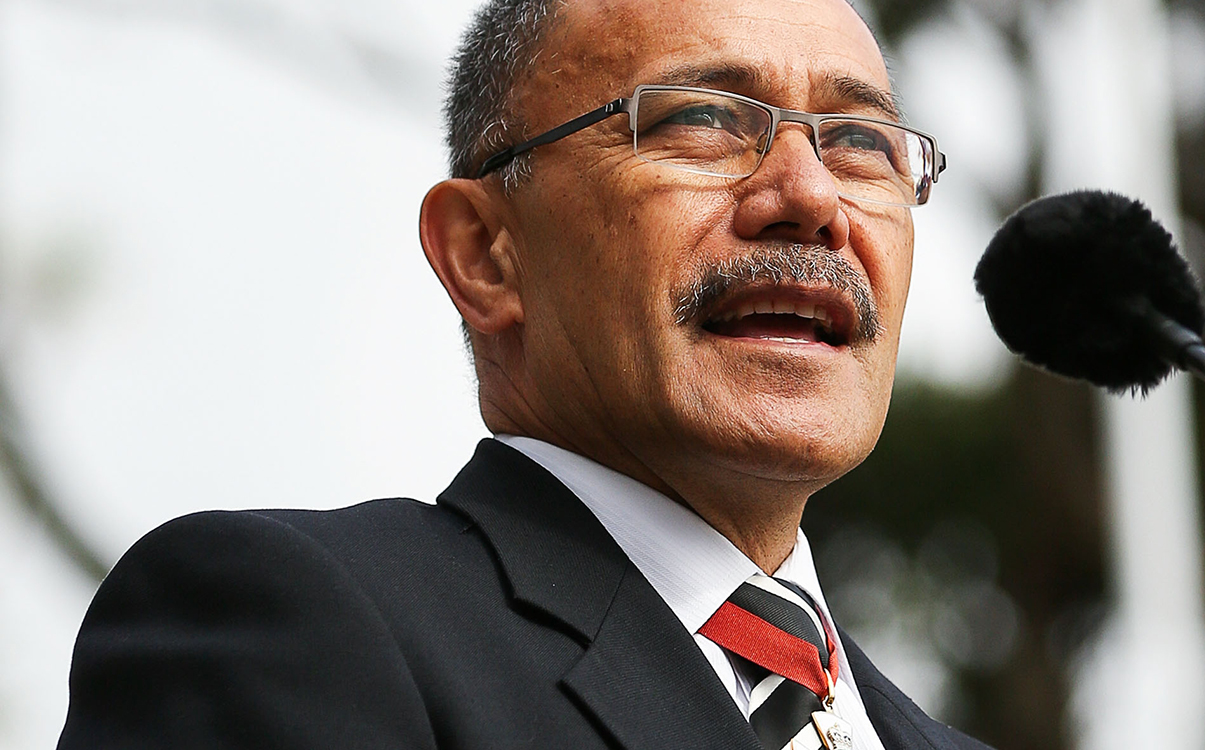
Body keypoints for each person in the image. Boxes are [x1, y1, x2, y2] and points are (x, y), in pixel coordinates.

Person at [58, 0, 988, 747]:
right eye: (701, 120)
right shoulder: (294, 632)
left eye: (861, 144)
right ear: (483, 255)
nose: (813, 197)